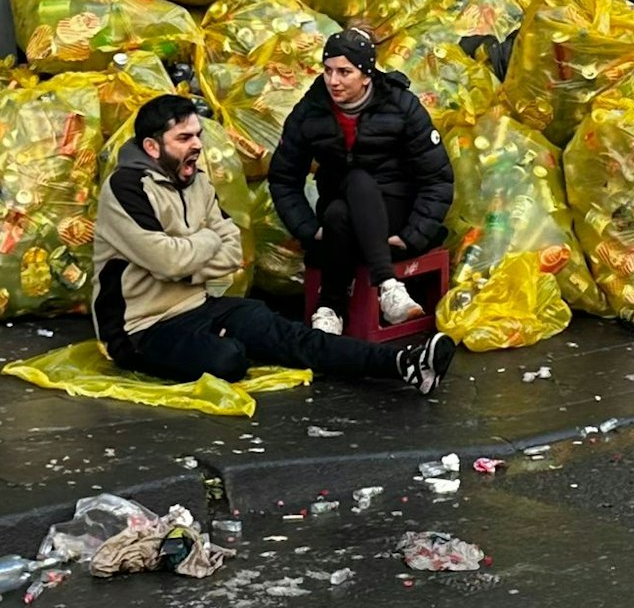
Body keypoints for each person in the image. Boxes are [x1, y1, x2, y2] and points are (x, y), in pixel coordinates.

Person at [91, 94, 455, 393]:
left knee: (291, 335)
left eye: (198, 135)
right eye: (184, 139)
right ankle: (229, 342)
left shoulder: (197, 181)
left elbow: (233, 251)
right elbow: (167, 261)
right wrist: (201, 244)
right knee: (228, 360)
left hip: (199, 304)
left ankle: (403, 363)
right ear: (153, 147)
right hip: (141, 327)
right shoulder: (126, 188)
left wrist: (187, 262)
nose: (198, 146)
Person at [269, 27, 455, 335]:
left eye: (345, 72)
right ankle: (388, 286)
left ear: (367, 75)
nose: (333, 81)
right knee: (340, 208)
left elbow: (437, 178)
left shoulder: (401, 106)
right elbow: (283, 177)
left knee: (355, 184)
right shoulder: (311, 110)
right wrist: (306, 228)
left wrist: (414, 235)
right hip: (337, 219)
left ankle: (330, 308)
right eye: (328, 71)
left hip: (394, 214)